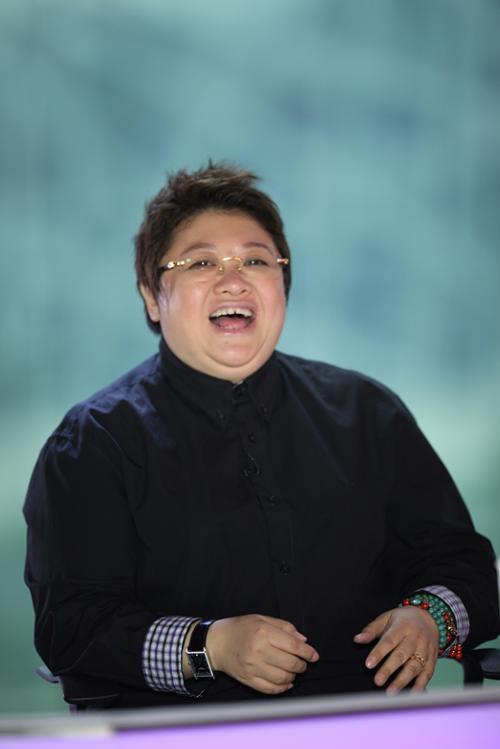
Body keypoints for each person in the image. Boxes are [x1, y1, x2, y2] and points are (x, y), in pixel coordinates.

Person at [24, 163, 499, 710]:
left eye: (255, 260)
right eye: (201, 262)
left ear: (282, 285)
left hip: (367, 724)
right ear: (152, 296)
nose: (234, 280)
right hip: (179, 734)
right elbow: (71, 627)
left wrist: (429, 618)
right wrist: (209, 646)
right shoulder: (93, 443)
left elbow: (466, 568)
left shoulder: (367, 412)